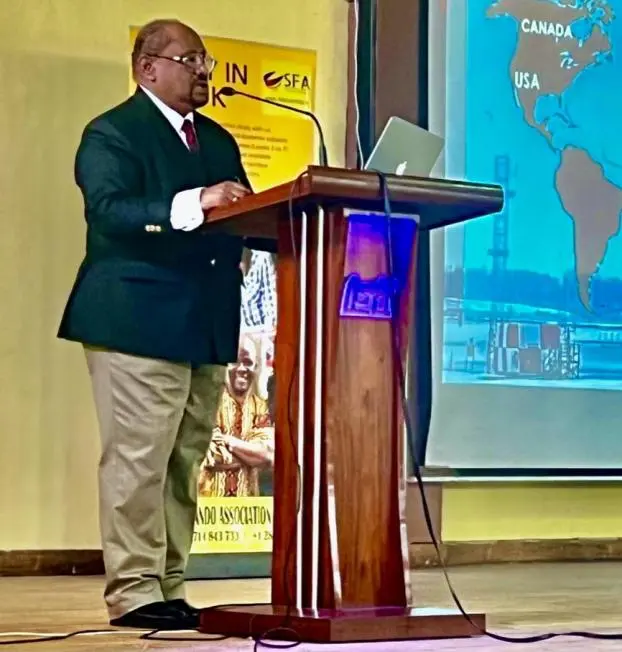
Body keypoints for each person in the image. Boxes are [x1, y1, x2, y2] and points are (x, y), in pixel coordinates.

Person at [57, 18, 265, 630]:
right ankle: (133, 592)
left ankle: (168, 585)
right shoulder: (113, 132)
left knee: (183, 461)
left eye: (205, 61)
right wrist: (196, 202)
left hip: (205, 322)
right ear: (147, 67)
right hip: (136, 319)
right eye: (189, 59)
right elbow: (110, 211)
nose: (203, 71)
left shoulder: (218, 139)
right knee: (139, 459)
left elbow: (248, 210)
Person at [199, 336, 274, 497]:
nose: (241, 368)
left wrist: (225, 441)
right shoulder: (209, 402)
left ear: (256, 367)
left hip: (248, 507)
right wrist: (249, 455)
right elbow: (202, 453)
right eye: (235, 362)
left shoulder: (260, 406)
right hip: (207, 506)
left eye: (248, 362)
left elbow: (267, 456)